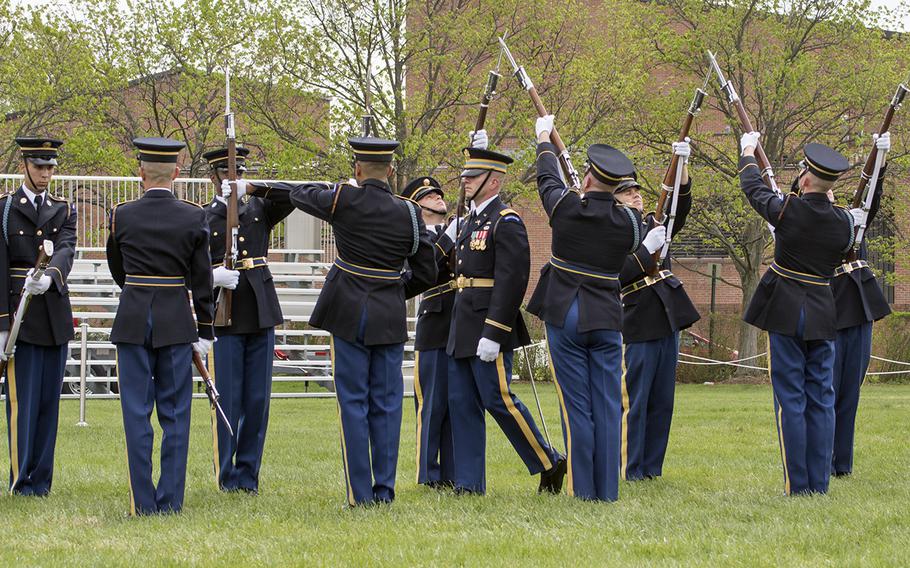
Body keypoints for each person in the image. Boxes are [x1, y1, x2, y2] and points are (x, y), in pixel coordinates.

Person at [239, 137, 437, 506]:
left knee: (353, 403)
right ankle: (385, 490)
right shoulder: (409, 212)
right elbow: (426, 270)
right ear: (391, 172)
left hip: (347, 313)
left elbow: (300, 195)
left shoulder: (343, 199)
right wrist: (394, 289)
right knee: (389, 403)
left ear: (358, 170)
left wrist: (333, 187)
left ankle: (359, 493)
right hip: (389, 314)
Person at [526, 115, 642, 501]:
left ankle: (584, 490)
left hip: (567, 312)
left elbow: (547, 179)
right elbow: (612, 215)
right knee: (608, 406)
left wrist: (545, 138)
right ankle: (607, 490)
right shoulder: (630, 222)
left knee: (578, 406)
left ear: (588, 178)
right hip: (606, 314)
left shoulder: (565, 207)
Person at [738, 131, 855, 495]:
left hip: (787, 309)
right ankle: (819, 484)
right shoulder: (844, 222)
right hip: (823, 309)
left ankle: (797, 483)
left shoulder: (789, 210)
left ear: (804, 178)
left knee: (791, 398)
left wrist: (746, 151)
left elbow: (753, 189)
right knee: (821, 398)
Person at [446, 143, 566, 496]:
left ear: (494, 182)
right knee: (462, 403)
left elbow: (513, 279)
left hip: (488, 325)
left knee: (498, 399)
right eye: (465, 175)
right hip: (463, 322)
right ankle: (469, 483)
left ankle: (549, 460)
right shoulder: (470, 221)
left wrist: (495, 331)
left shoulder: (506, 220)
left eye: (474, 176)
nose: (465, 181)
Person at [106, 137, 215, 515]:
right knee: (175, 415)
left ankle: (142, 502)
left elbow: (117, 267)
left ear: (140, 173)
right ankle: (170, 501)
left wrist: (139, 289)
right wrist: (205, 331)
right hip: (175, 320)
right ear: (177, 172)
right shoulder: (193, 215)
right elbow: (202, 278)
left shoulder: (121, 213)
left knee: (136, 413)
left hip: (133, 315)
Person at [202, 146, 295, 494]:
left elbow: (293, 194)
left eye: (238, 173)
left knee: (258, 399)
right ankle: (226, 475)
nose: (233, 179)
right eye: (227, 174)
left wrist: (253, 188)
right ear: (214, 178)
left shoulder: (259, 208)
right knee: (227, 397)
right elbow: (195, 267)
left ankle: (248, 475)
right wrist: (214, 274)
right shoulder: (204, 217)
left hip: (259, 308)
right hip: (224, 312)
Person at [612, 139, 700, 482]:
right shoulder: (610, 227)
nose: (636, 194)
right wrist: (644, 254)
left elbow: (683, 205)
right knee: (634, 398)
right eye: (626, 191)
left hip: (666, 315)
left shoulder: (653, 223)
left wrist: (682, 164)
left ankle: (651, 468)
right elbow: (614, 276)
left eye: (636, 190)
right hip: (635, 316)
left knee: (663, 399)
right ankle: (628, 467)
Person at [0, 136, 76, 496]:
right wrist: (2, 324)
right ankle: (21, 478)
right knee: (22, 404)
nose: (46, 173)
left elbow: (66, 247)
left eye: (50, 167)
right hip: (20, 315)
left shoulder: (63, 208)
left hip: (54, 313)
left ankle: (42, 480)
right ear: (24, 167)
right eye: (39, 166)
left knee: (48, 404)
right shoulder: (5, 209)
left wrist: (52, 276)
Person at [830, 132, 891, 477]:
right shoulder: (810, 221)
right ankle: (823, 457)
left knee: (850, 391)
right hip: (829, 310)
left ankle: (842, 462)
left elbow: (870, 201)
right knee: (829, 390)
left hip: (858, 309)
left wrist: (879, 165)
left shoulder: (848, 219)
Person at [402, 174, 456, 489]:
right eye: (430, 195)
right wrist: (448, 237)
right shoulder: (416, 237)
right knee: (432, 403)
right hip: (435, 323)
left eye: (438, 193)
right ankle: (428, 473)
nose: (438, 197)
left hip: (461, 324)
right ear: (418, 207)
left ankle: (451, 470)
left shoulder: (460, 228)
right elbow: (426, 270)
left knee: (455, 402)